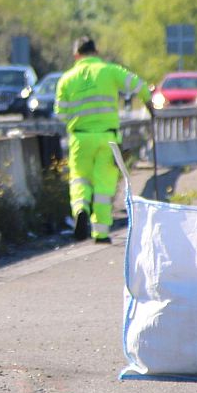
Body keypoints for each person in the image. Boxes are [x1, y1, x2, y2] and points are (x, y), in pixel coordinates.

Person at [54, 37, 152, 243]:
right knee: (104, 186)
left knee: (80, 179)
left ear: (76, 55)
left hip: (80, 138)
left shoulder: (66, 79)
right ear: (96, 51)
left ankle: (80, 209)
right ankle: (101, 232)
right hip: (108, 139)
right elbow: (138, 85)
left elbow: (60, 113)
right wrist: (149, 104)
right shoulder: (110, 71)